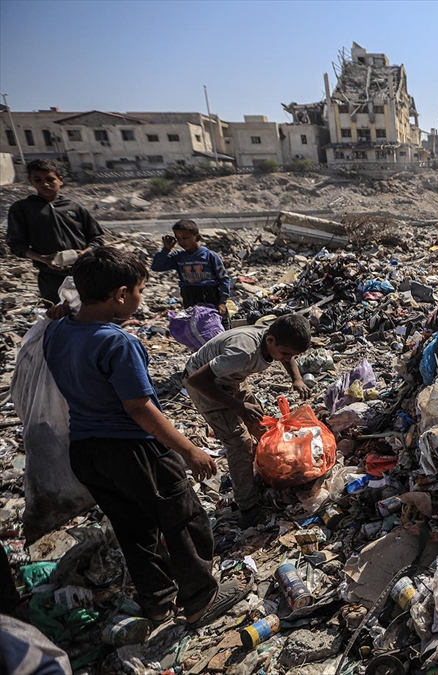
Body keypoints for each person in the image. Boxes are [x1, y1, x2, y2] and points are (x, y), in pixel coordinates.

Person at [40, 247, 243, 626]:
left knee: (132, 528)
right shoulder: (119, 342)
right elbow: (139, 408)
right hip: (133, 450)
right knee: (184, 518)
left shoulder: (57, 331)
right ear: (120, 294)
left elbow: (67, 330)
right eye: (139, 291)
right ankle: (200, 600)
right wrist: (188, 450)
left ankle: (158, 601)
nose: (140, 298)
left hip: (86, 452)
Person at [184, 316, 312, 527]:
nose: (288, 358)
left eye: (293, 355)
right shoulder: (242, 353)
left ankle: (276, 472)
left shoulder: (272, 341)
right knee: (240, 443)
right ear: (270, 340)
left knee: (262, 426)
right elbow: (196, 380)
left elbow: (288, 356)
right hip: (205, 387)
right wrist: (238, 407)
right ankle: (248, 507)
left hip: (231, 379)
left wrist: (296, 378)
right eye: (285, 353)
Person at [5, 159, 105, 306]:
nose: (45, 184)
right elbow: (16, 245)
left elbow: (97, 238)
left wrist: (85, 254)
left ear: (60, 180)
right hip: (51, 277)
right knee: (58, 316)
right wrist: (43, 259)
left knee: (92, 311)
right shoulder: (22, 209)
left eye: (50, 179)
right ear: (30, 181)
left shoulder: (74, 207)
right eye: (38, 180)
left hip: (85, 273)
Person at [151, 219, 231, 315]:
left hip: (210, 295)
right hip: (189, 296)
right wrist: (166, 249)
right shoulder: (178, 257)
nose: (181, 242)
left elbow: (224, 279)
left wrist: (222, 302)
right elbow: (157, 266)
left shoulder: (210, 256)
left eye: (185, 238)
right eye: (178, 238)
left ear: (197, 238)